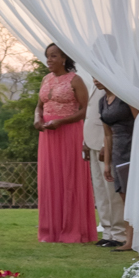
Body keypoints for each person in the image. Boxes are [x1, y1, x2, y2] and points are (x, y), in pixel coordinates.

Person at [34, 43, 96, 245]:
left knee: (69, 177)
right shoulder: (46, 79)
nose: (49, 60)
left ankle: (72, 229)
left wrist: (61, 121)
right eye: (47, 56)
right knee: (49, 178)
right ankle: (49, 230)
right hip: (48, 135)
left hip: (69, 132)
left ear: (64, 58)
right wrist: (37, 118)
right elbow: (39, 105)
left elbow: (85, 110)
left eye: (53, 56)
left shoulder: (75, 80)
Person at [85, 80, 126, 247]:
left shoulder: (114, 88)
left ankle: (119, 232)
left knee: (112, 190)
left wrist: (105, 146)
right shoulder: (91, 84)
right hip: (91, 140)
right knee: (100, 190)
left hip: (108, 143)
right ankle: (107, 229)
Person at [98, 86, 136, 251]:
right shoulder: (102, 102)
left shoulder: (125, 96)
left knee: (133, 194)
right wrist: (107, 163)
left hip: (132, 146)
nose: (95, 80)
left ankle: (134, 239)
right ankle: (130, 239)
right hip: (117, 151)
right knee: (123, 195)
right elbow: (107, 134)